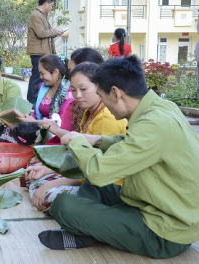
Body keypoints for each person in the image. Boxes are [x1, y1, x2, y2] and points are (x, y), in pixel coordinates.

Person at [38, 55, 199, 258]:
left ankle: (90, 230)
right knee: (93, 186)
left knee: (63, 205)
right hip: (157, 203)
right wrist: (97, 140)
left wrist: (76, 141)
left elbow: (98, 171)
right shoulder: (162, 108)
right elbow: (131, 143)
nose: (103, 103)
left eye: (101, 96)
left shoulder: (153, 125)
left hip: (166, 233)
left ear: (115, 93)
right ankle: (94, 228)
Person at [13, 62, 127, 215]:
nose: (77, 95)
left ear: (99, 87)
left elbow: (92, 172)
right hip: (87, 176)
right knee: (35, 179)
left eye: (84, 89)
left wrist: (48, 185)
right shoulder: (89, 112)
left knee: (46, 194)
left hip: (106, 187)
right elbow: (79, 160)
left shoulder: (105, 118)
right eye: (73, 90)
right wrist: (47, 169)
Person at [26, 0, 63, 106]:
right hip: (38, 52)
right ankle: (32, 100)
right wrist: (54, 31)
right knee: (37, 75)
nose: (51, 7)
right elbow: (41, 33)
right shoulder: (36, 15)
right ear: (46, 3)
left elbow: (45, 33)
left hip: (43, 51)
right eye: (51, 5)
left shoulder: (42, 15)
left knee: (41, 75)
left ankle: (37, 99)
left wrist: (56, 33)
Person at [19, 54, 73, 124]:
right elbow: (36, 114)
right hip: (40, 129)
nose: (40, 77)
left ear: (55, 72)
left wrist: (35, 122)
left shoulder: (68, 91)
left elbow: (61, 121)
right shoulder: (42, 87)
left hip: (57, 132)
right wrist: (26, 118)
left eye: (42, 73)